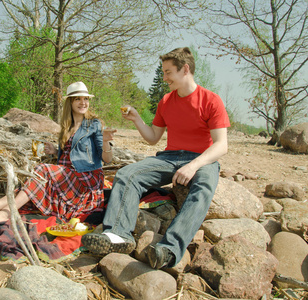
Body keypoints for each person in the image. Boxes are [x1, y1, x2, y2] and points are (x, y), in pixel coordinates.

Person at [82, 47, 230, 269]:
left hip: (202, 158)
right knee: (127, 174)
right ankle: (118, 235)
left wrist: (193, 166)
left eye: (168, 72)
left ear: (185, 69)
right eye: (164, 72)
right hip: (169, 158)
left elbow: (221, 145)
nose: (165, 77)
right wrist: (137, 119)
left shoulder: (210, 100)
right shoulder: (166, 101)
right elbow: (153, 138)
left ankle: (169, 249)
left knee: (204, 186)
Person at [0, 81, 115, 227]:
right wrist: (55, 151)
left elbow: (107, 159)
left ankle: (7, 212)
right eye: (78, 99)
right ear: (70, 102)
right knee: (32, 185)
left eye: (85, 99)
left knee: (42, 171)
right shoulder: (66, 126)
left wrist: (106, 141)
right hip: (65, 178)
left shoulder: (94, 124)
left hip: (84, 181)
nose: (83, 103)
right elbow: (71, 153)